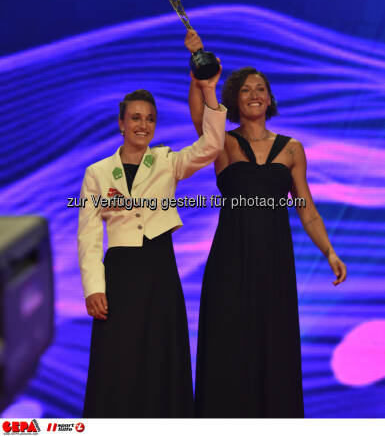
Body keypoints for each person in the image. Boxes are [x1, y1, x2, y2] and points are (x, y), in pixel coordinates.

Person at [185, 30, 347, 418]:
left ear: (270, 99)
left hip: (274, 262)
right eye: (246, 90)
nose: (255, 94)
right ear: (234, 100)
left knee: (272, 346)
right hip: (230, 259)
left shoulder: (292, 149)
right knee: (229, 343)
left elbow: (306, 207)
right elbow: (198, 114)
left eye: (261, 89)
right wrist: (198, 71)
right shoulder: (221, 143)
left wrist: (329, 251)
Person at [77, 60, 226, 418]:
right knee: (117, 359)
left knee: (160, 354)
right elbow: (88, 236)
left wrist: (208, 88)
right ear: (122, 124)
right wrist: (93, 288)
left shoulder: (166, 161)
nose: (143, 125)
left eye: (150, 119)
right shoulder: (96, 173)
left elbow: (212, 145)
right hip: (120, 273)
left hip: (159, 267)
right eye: (136, 118)